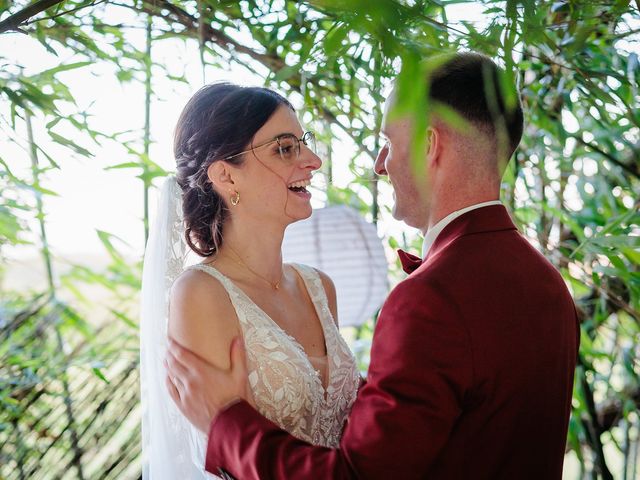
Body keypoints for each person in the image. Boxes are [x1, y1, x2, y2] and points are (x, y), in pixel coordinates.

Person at [165, 52, 580, 479]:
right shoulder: (550, 287)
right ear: (225, 176)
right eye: (286, 148)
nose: (380, 165)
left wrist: (226, 425)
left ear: (428, 146)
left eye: (389, 143)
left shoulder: (427, 299)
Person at [140, 84, 361, 479]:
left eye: (304, 143)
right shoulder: (202, 295)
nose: (313, 161)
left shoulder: (319, 288)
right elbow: (219, 456)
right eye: (284, 148)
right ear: (226, 176)